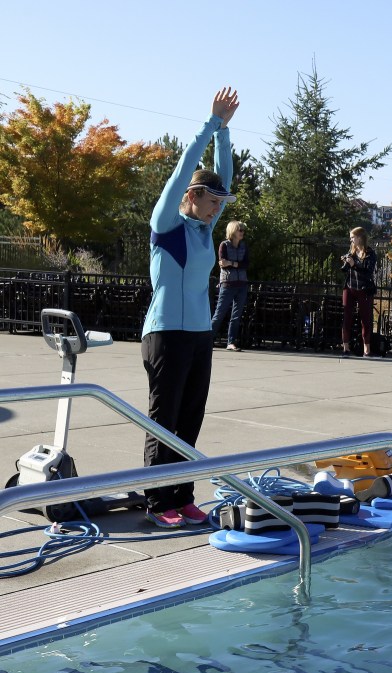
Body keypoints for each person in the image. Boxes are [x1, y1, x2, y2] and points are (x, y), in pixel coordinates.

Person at [141, 87, 239, 529]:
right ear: (192, 197)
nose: (218, 207)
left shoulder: (205, 229)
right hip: (165, 334)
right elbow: (181, 172)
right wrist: (209, 123)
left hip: (200, 335)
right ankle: (158, 502)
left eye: (220, 204)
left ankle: (183, 494)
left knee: (191, 419)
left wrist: (225, 133)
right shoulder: (167, 224)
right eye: (212, 200)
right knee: (165, 420)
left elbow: (227, 179)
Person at [210, 220, 249, 351]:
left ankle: (231, 342)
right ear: (233, 231)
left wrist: (231, 263)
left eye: (243, 230)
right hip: (227, 283)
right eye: (240, 230)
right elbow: (222, 262)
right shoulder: (224, 245)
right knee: (219, 313)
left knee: (236, 315)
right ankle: (207, 339)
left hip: (242, 284)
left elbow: (246, 264)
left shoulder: (244, 246)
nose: (242, 232)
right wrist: (236, 264)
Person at [340, 226, 377, 358]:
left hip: (364, 289)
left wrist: (354, 265)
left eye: (352, 237)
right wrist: (346, 262)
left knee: (365, 319)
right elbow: (344, 270)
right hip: (350, 287)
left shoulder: (370, 253)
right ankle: (346, 348)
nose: (351, 240)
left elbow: (368, 271)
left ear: (360, 237)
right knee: (347, 317)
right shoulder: (352, 251)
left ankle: (366, 350)